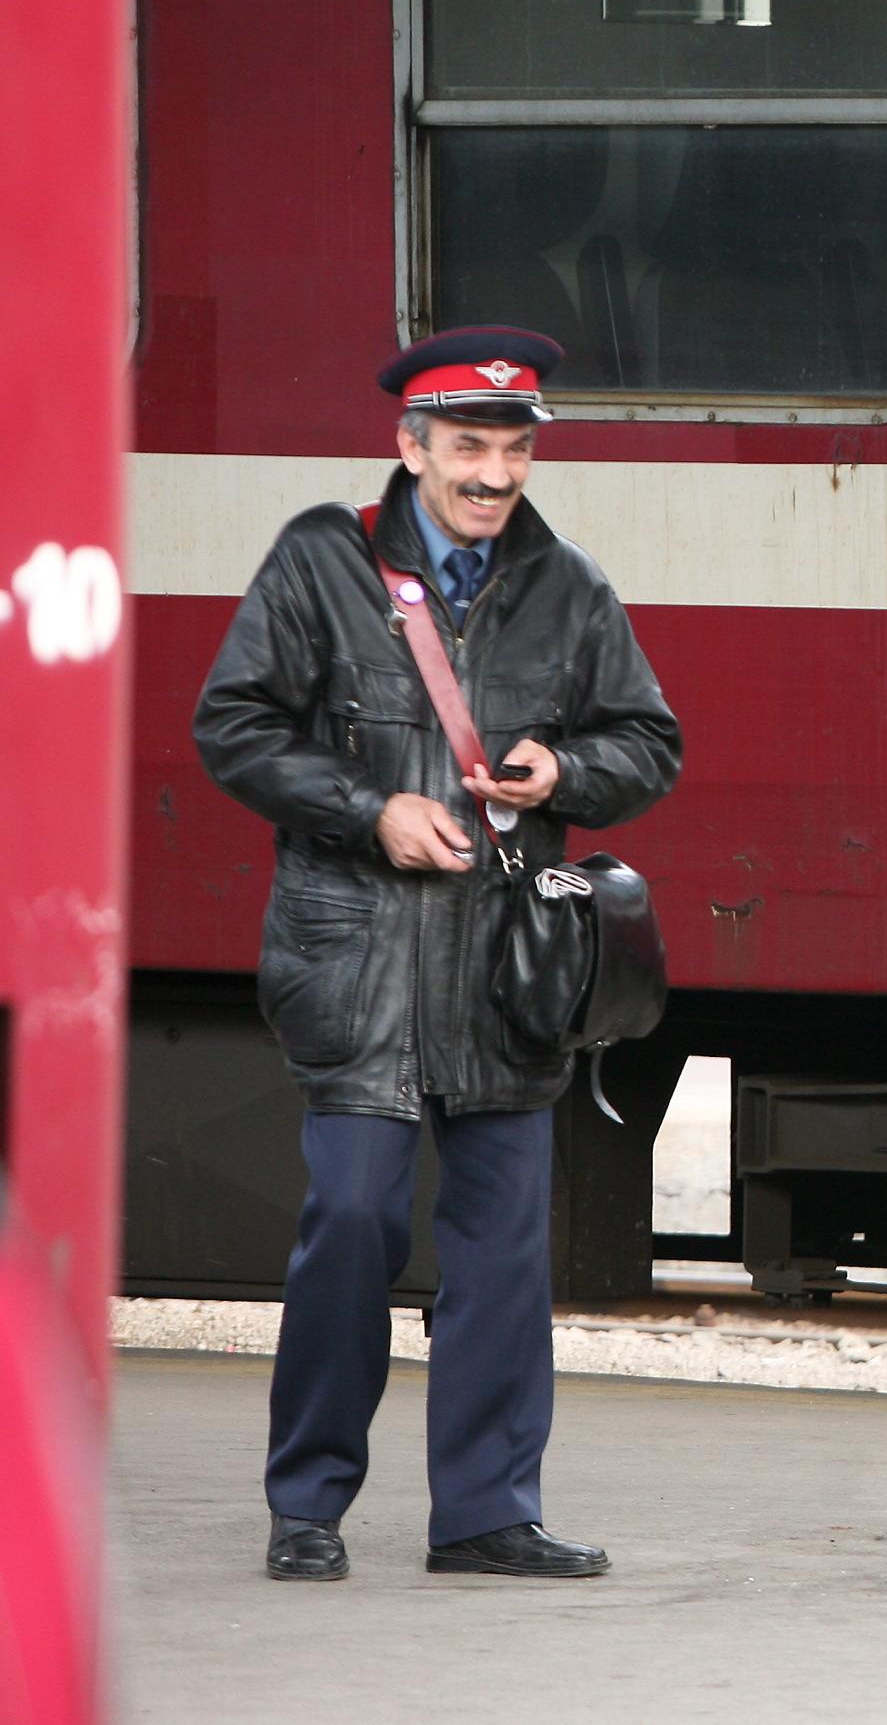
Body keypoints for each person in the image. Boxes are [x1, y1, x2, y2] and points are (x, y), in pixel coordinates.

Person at [195, 327, 681, 1583]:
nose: (494, 473)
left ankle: (484, 1513)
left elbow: (650, 741)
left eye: (514, 450)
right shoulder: (323, 560)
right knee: (350, 1228)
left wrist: (567, 768)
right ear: (411, 447)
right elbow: (233, 726)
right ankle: (307, 1505)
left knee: (505, 1258)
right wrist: (370, 811)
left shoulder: (568, 587)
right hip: (357, 964)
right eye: (469, 446)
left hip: (506, 976)